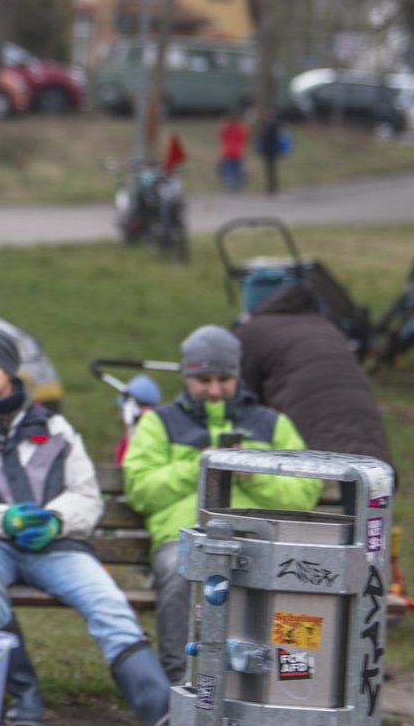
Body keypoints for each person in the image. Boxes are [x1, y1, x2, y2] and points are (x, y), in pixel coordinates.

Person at [0, 326, 177, 726]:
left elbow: (86, 498)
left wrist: (56, 521)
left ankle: (162, 710)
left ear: (10, 372)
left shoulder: (57, 429)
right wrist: (4, 519)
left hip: (55, 546)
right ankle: (25, 693)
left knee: (107, 599)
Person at [123, 325, 322, 682]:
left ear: (237, 375)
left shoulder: (273, 425)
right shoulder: (158, 424)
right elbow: (140, 490)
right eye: (204, 380)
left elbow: (304, 494)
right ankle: (179, 685)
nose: (214, 390)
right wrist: (201, 465)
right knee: (178, 571)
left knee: (298, 576)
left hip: (265, 541)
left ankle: (288, 685)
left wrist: (254, 472)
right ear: (187, 376)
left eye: (224, 379)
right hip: (185, 539)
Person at [236, 279, 394, 468]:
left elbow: (242, 403)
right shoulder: (326, 324)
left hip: (318, 457)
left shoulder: (252, 332)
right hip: (375, 458)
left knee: (325, 494)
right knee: (369, 496)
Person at [218, 106, 248, 193]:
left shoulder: (226, 127)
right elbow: (244, 137)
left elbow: (221, 135)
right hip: (236, 152)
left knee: (228, 171)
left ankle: (227, 187)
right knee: (236, 171)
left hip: (229, 152)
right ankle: (237, 187)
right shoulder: (240, 128)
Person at [255, 112, 287, 195]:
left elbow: (268, 136)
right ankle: (272, 186)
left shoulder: (272, 126)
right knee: (270, 169)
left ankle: (272, 187)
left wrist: (262, 134)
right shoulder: (275, 126)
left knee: (270, 169)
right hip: (271, 150)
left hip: (270, 150)